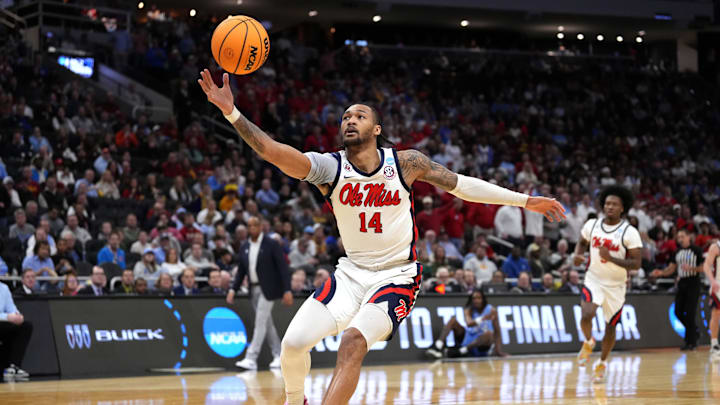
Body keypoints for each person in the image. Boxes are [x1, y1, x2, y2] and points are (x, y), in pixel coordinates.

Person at [198, 70, 564, 404]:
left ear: (376, 128)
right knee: (293, 344)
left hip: (397, 276)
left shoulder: (406, 163)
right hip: (351, 274)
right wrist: (232, 113)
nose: (350, 120)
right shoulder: (331, 168)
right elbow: (274, 153)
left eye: (359, 115)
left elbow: (462, 186)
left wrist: (525, 200)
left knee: (353, 341)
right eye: (345, 117)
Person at [573, 186, 642, 383]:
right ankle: (588, 342)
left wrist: (611, 258)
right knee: (586, 314)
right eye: (607, 203)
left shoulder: (629, 232)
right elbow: (581, 242)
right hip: (593, 278)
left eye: (614, 204)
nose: (610, 207)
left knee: (610, 327)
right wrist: (577, 255)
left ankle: (602, 363)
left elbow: (636, 263)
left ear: (622, 208)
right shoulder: (592, 225)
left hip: (616, 285)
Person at [228, 216, 293, 371]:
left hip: (269, 289)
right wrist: (233, 289)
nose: (252, 229)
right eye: (249, 226)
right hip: (253, 288)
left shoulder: (271, 245)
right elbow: (241, 271)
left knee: (260, 322)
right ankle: (279, 355)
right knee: (266, 323)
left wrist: (287, 289)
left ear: (261, 227)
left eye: (255, 225)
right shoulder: (244, 246)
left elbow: (282, 268)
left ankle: (251, 358)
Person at [651, 228, 704, 350]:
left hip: (693, 283)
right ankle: (694, 332)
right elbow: (671, 268)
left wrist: (692, 268)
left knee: (690, 314)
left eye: (682, 236)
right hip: (682, 283)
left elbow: (703, 268)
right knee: (678, 312)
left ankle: (691, 342)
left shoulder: (696, 250)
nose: (680, 239)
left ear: (688, 237)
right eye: (678, 237)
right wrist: (661, 273)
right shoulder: (677, 252)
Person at [425, 289, 507, 359]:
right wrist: (482, 318)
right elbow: (469, 324)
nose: (476, 300)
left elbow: (497, 332)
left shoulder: (492, 310)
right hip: (469, 337)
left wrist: (498, 351)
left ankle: (461, 351)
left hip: (482, 343)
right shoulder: (468, 310)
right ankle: (438, 346)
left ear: (483, 299)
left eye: (479, 298)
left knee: (489, 333)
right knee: (453, 320)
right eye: (474, 298)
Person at [0, 281, 32, 381]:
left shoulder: (4, 288)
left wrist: (17, 315)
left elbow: (11, 308)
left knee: (26, 326)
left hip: (2, 323)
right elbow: (7, 316)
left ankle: (13, 366)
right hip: (3, 320)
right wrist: (7, 316)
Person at [702, 240, 720, 360]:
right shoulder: (716, 247)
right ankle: (714, 345)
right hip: (718, 286)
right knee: (716, 314)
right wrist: (712, 281)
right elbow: (706, 266)